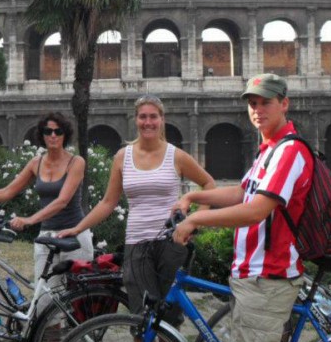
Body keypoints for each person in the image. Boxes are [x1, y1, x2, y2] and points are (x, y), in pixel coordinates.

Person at [172, 73, 314, 342]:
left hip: (267, 277)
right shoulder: (269, 150)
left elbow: (255, 211)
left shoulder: (289, 151)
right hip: (253, 276)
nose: (257, 110)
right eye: (252, 103)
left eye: (265, 102)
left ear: (284, 104)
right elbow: (241, 193)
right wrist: (192, 198)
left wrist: (197, 219)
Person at [58, 94, 215, 328]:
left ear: (162, 120)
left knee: (170, 319)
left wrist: (196, 221)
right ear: (136, 120)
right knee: (140, 318)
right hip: (137, 244)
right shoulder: (123, 156)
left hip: (172, 242)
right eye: (143, 117)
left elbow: (209, 184)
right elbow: (108, 202)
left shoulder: (176, 156)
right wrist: (79, 228)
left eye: (153, 116)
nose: (148, 122)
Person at [0, 112, 93, 293]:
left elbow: (62, 201)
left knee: (78, 298)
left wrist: (29, 220)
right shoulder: (36, 163)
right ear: (42, 134)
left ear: (65, 134)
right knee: (43, 302)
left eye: (58, 131)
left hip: (75, 235)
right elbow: (8, 191)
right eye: (48, 131)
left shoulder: (76, 162)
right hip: (47, 235)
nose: (53, 135)